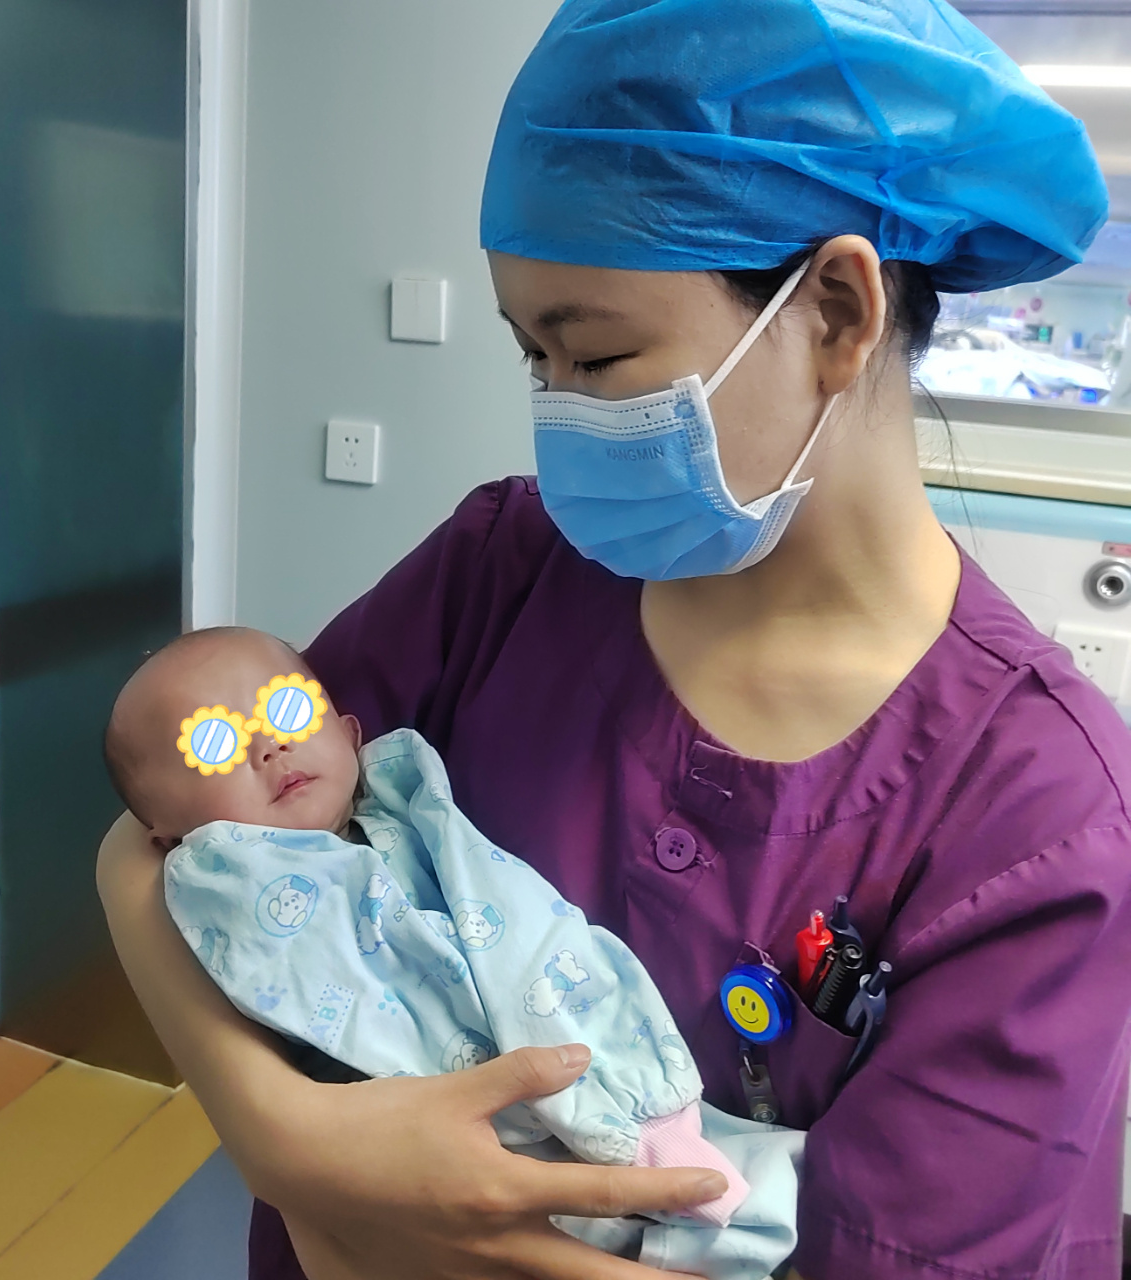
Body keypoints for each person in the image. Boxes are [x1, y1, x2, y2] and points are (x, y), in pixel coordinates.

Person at [98, 2, 1131, 1278]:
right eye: (530, 357)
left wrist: (424, 1235)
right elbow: (161, 837)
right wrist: (283, 1134)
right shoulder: (502, 569)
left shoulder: (1035, 811)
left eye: (591, 356)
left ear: (833, 310)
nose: (554, 412)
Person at [102, 624, 804, 1278]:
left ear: (349, 732)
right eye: (215, 744)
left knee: (756, 1190)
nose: (268, 747)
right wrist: (281, 1139)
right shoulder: (233, 883)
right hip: (433, 1163)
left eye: (286, 709)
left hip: (613, 1094)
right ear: (167, 835)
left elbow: (519, 927)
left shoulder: (411, 817)